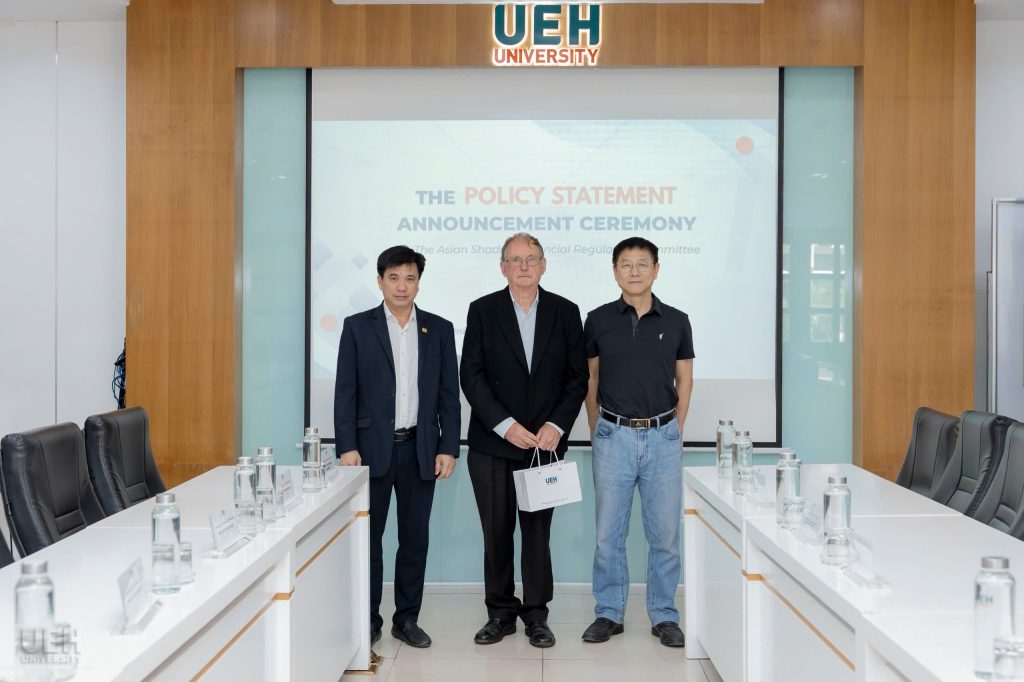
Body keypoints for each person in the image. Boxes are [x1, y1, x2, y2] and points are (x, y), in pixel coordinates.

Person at [460, 233, 588, 648]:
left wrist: (557, 425)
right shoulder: (482, 310)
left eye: (531, 258)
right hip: (493, 445)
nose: (523, 266)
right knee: (496, 533)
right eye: (515, 260)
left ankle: (536, 615)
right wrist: (504, 425)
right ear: (503, 268)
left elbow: (577, 378)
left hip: (543, 446)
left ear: (544, 264)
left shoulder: (566, 311)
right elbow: (471, 376)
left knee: (537, 535)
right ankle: (500, 614)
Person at [334, 245, 460, 649]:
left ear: (419, 282)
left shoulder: (439, 329)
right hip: (369, 452)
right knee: (368, 541)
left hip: (419, 450)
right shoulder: (357, 327)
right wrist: (347, 446)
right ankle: (368, 619)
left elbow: (448, 396)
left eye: (410, 278)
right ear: (380, 281)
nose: (402, 286)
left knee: (414, 540)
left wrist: (448, 447)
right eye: (394, 278)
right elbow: (345, 392)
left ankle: (406, 619)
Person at [581, 237, 694, 648]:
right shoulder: (597, 320)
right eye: (625, 264)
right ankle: (609, 612)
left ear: (656, 269)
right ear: (615, 271)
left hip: (662, 437)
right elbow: (591, 378)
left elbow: (685, 381)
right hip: (613, 436)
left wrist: (674, 430)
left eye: (642, 263)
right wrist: (597, 428)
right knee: (607, 536)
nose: (634, 271)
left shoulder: (677, 320)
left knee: (665, 536)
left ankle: (664, 615)